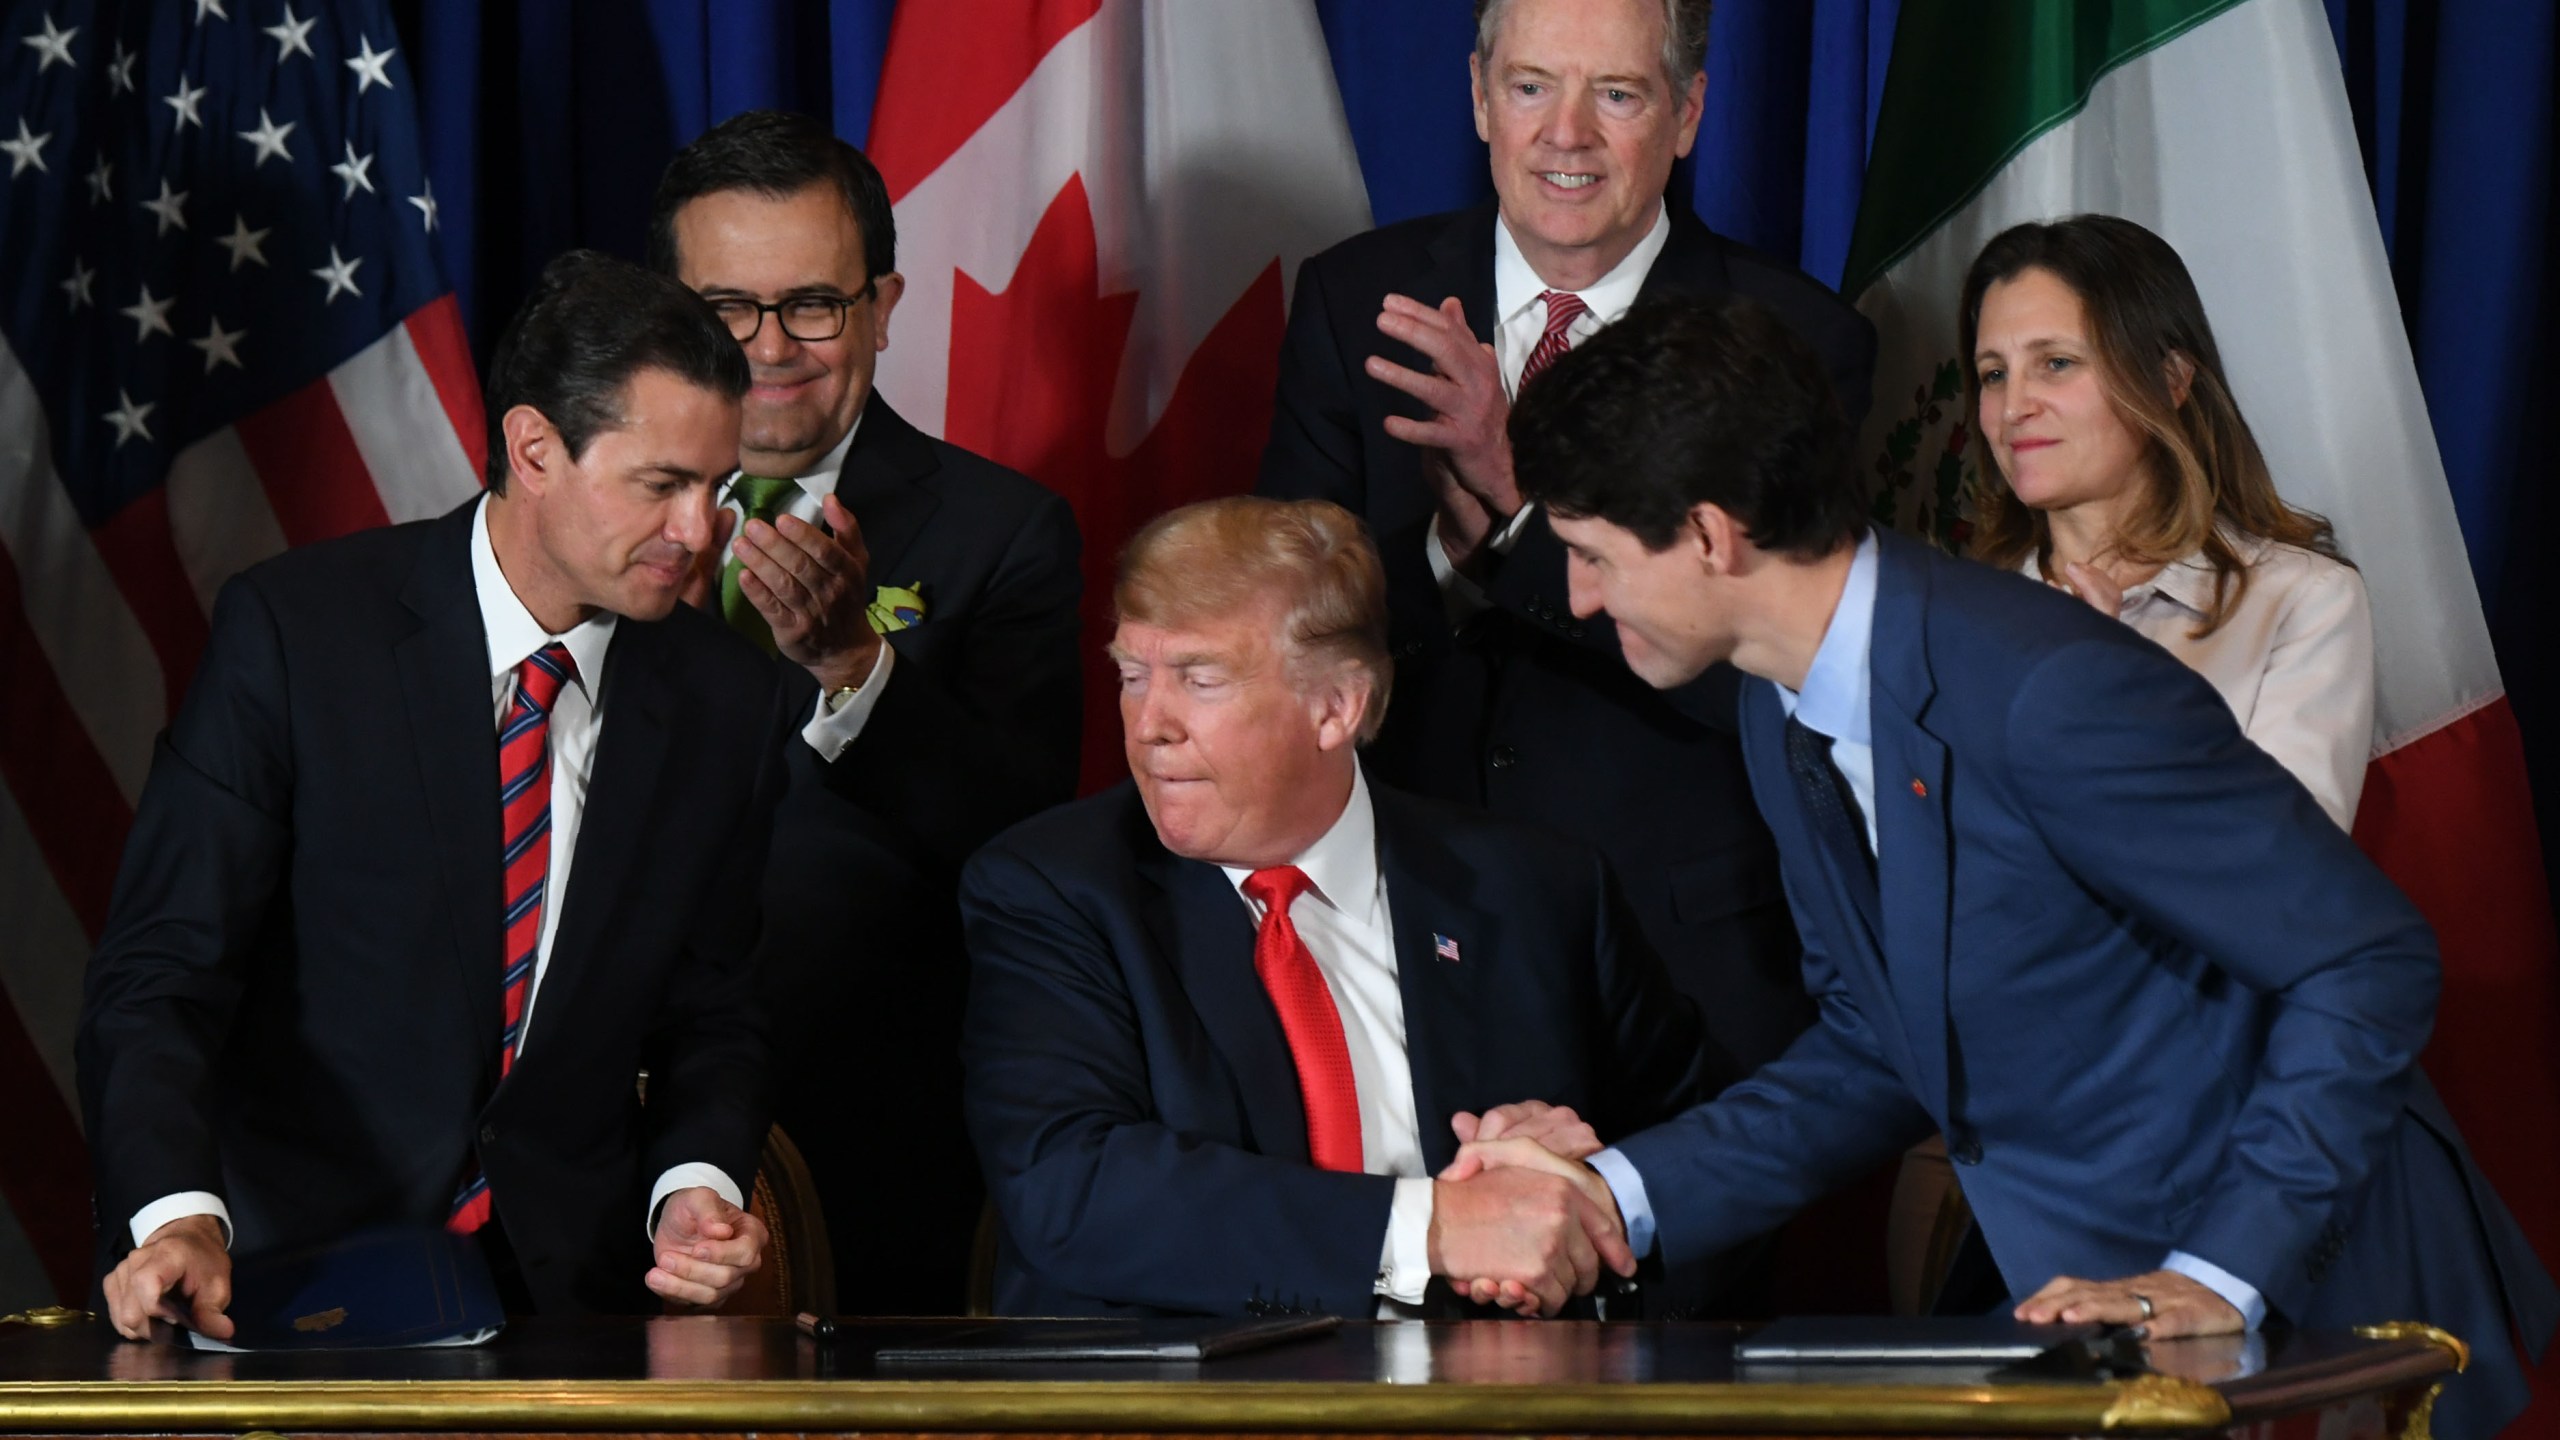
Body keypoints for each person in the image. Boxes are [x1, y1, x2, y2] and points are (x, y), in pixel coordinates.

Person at [1457, 293, 2555, 1440]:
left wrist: (2221, 1274)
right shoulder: (1777, 710)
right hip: (2094, 1311)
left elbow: (2365, 959)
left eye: (1589, 554)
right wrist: (1608, 1195)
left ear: (1710, 535)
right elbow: (1881, 1048)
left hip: (2314, 1310)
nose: (1577, 596)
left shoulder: (2046, 695)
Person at [78, 252, 792, 1332]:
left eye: (715, 488)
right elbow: (159, 975)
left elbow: (714, 1016)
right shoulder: (297, 637)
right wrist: (178, 1215)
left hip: (572, 1308)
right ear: (534, 448)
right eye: (662, 485)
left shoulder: (724, 697)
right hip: (284, 1291)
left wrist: (693, 1183)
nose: (700, 534)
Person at [1257, 0, 1876, 1086]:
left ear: (1685, 115)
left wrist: (1517, 524)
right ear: (1479, 98)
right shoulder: (1356, 302)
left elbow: (1780, 687)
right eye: (1533, 85)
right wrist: (1457, 559)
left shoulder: (1798, 344)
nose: (1566, 134)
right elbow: (1292, 638)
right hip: (1391, 948)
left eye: (1619, 95)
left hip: (1683, 974)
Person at [958, 496, 1725, 1318]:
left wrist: (1595, 1183)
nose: (1149, 727)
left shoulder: (1539, 890)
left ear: (1337, 708)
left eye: (1199, 679)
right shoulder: (1054, 889)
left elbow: (1708, 1151)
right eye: (1133, 675)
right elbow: (1072, 1189)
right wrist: (1436, 1227)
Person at [648, 110, 1084, 1313]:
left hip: (866, 1135)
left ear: (882, 307)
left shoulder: (1005, 534)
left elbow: (1029, 842)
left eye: (812, 306)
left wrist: (856, 670)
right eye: (726, 308)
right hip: (591, 1131)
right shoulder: (587, 523)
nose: (769, 346)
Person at [1964, 215, 2372, 828]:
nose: (2014, 407)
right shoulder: (1950, 614)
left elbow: (2273, 884)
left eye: (2056, 363)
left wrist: (2109, 699)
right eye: (1994, 374)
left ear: (2170, 379)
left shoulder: (2304, 602)